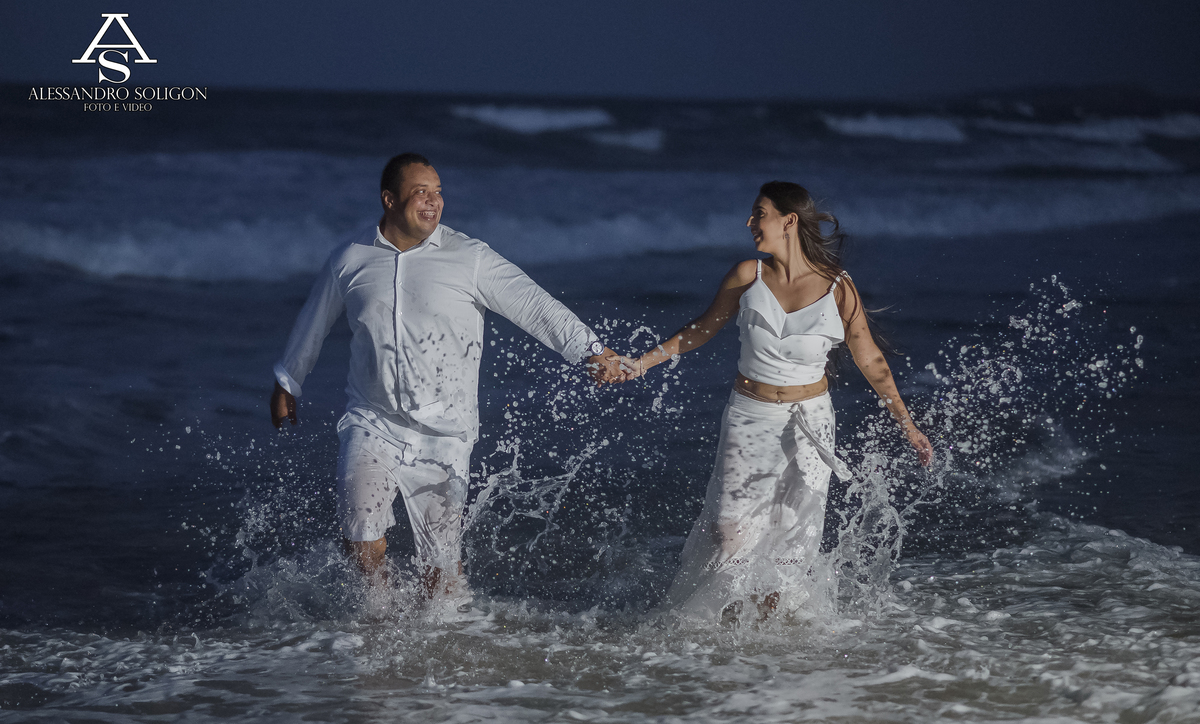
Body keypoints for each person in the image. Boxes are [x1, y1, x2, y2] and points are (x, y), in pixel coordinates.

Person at [270, 153, 623, 603]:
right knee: (359, 535)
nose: (434, 202)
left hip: (446, 433)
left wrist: (590, 350)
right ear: (389, 199)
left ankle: (443, 636)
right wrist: (288, 382)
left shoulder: (469, 257)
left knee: (439, 566)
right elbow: (313, 322)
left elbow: (533, 304)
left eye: (438, 192)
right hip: (371, 419)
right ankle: (380, 619)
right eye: (421, 192)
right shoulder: (350, 258)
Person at [619, 181, 932, 620]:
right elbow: (702, 328)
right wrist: (642, 363)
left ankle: (768, 628)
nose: (750, 223)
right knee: (730, 531)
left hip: (811, 421)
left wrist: (908, 426)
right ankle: (718, 617)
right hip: (749, 414)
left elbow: (871, 359)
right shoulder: (749, 274)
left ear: (788, 220)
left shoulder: (838, 288)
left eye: (759, 213)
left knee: (793, 532)